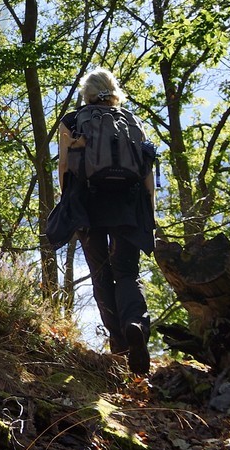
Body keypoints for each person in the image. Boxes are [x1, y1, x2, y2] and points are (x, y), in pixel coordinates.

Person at [57, 67, 157, 374]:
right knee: (127, 272)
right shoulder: (132, 121)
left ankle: (120, 346)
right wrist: (149, 211)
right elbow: (147, 172)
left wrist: (69, 205)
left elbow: (64, 167)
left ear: (86, 94)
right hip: (127, 204)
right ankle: (134, 324)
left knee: (101, 275)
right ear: (114, 92)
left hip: (89, 204)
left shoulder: (72, 122)